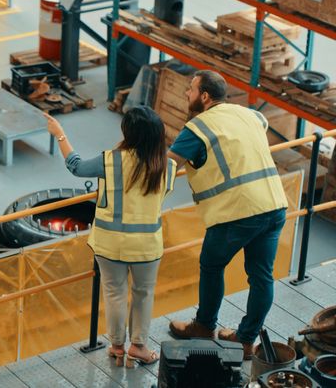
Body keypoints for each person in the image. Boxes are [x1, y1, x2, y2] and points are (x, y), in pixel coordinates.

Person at [167, 70, 287, 360]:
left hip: (237, 211)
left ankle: (204, 327)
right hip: (274, 204)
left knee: (211, 265)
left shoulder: (199, 127)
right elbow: (256, 129)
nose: (187, 94)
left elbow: (169, 163)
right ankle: (245, 341)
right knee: (261, 277)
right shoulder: (251, 115)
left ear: (204, 96)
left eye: (191, 89)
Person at [46, 107, 177, 368]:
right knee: (143, 293)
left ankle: (117, 347)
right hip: (147, 246)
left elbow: (76, 166)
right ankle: (138, 347)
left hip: (109, 243)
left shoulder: (110, 160)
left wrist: (59, 134)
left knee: (114, 293)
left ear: (127, 132)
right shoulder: (168, 166)